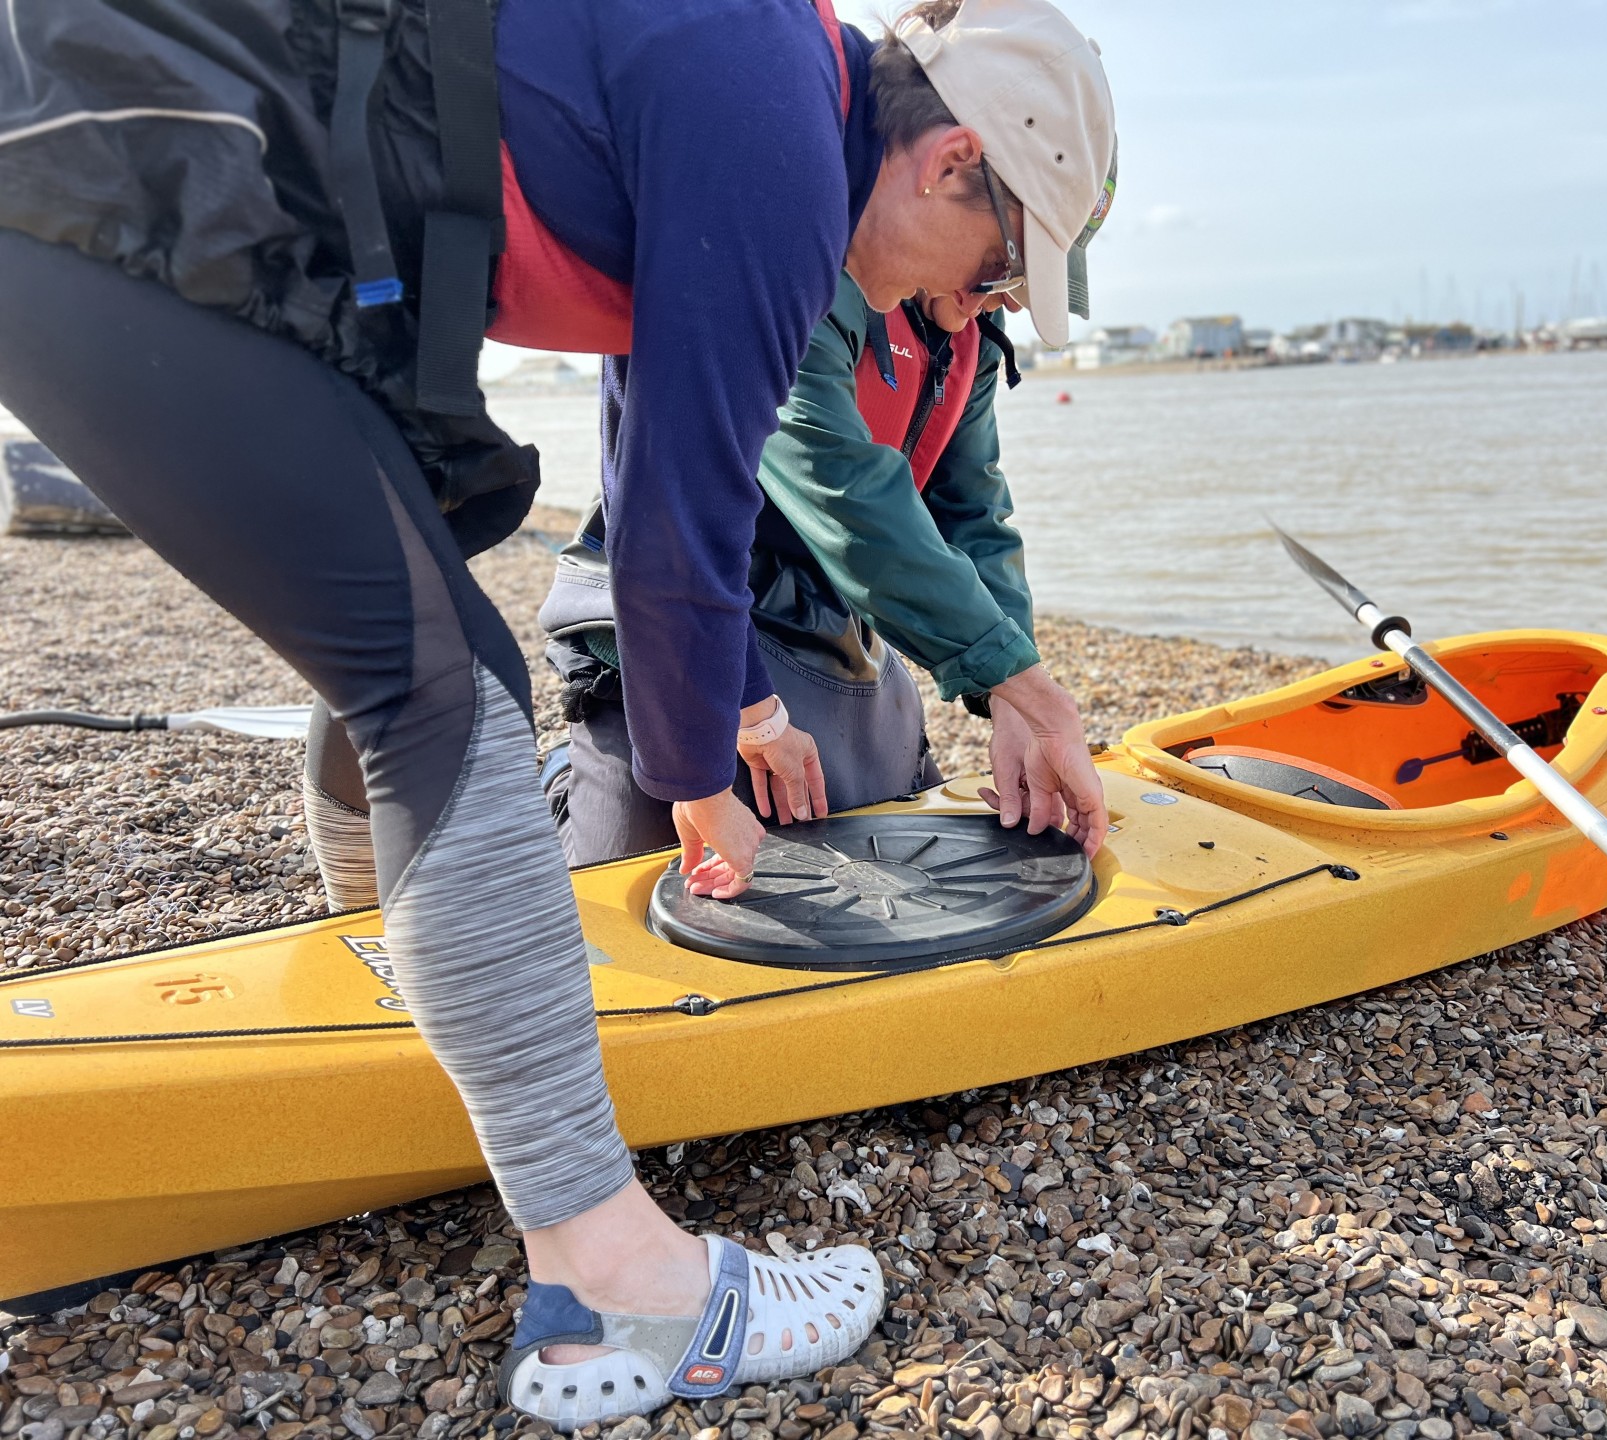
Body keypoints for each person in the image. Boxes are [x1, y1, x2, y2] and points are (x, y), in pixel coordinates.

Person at [0, 0, 1115, 1427]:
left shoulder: (767, 98)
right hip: (109, 175)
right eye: (1007, 267)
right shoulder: (781, 142)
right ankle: (613, 1282)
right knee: (442, 692)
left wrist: (712, 750)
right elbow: (676, 532)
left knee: (415, 628)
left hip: (155, 185)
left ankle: (399, 954)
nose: (988, 303)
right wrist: (704, 779)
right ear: (950, 158)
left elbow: (655, 475)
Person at [537, 275, 1112, 865]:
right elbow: (846, 493)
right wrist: (1041, 699)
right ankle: (562, 779)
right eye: (1011, 266)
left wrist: (1011, 699)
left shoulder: (977, 329)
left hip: (820, 615)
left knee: (868, 845)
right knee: (619, 872)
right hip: (674, 594)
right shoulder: (810, 276)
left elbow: (975, 513)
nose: (1014, 299)